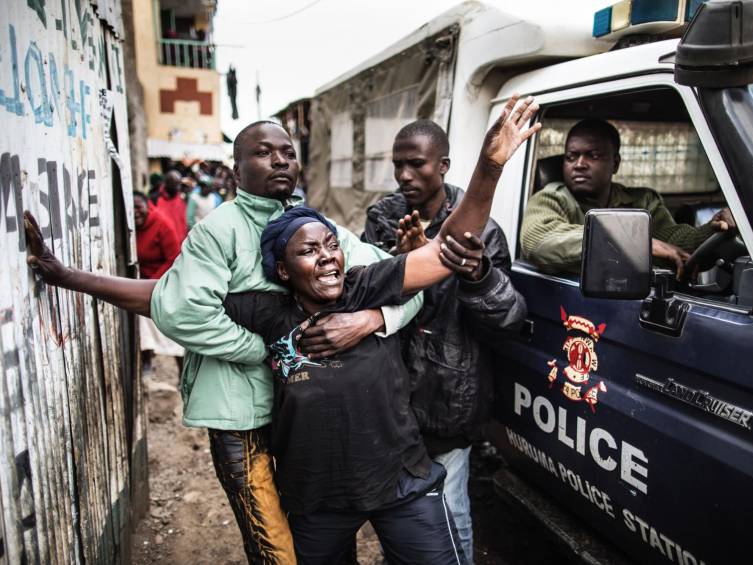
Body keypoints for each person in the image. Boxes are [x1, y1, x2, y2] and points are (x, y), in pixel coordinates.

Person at [25, 120, 425, 564]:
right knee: (275, 547)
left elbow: (408, 285)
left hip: (304, 417)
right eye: (263, 153)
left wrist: (372, 319)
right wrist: (266, 350)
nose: (279, 161)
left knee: (316, 530)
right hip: (242, 416)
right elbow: (180, 308)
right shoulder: (219, 230)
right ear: (236, 171)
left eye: (288, 153)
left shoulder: (317, 228)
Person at [217, 93, 540, 563]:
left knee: (447, 526)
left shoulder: (365, 283)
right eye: (308, 251)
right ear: (282, 271)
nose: (327, 257)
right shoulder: (270, 310)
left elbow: (447, 255)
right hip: (320, 490)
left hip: (417, 446)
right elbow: (176, 299)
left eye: (332, 245)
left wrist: (489, 169)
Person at [362, 120, 528, 563]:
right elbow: (360, 295)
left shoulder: (482, 231)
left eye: (416, 164)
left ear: (443, 165)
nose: (404, 175)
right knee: (399, 514)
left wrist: (477, 275)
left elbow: (508, 321)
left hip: (448, 398)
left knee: (449, 515)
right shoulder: (383, 219)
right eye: (398, 164)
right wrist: (402, 265)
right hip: (391, 398)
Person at [520, 119, 736, 278]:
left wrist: (712, 230)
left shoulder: (643, 201)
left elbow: (673, 243)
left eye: (593, 156)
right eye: (571, 157)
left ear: (615, 164)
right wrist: (634, 243)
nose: (579, 164)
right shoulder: (551, 198)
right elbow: (539, 242)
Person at [133, 192, 185, 372]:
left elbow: (174, 258)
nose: (135, 211)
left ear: (148, 206)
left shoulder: (162, 224)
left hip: (166, 280)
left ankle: (181, 371)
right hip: (142, 282)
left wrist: (153, 281)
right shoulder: (131, 228)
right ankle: (147, 361)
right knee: (143, 324)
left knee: (172, 328)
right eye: (131, 208)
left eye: (138, 206)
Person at [155, 170, 188, 241]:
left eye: (178, 184)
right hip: (164, 240)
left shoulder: (182, 199)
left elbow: (184, 220)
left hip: (180, 241)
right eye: (174, 185)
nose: (177, 188)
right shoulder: (156, 199)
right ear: (166, 184)